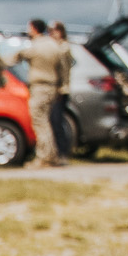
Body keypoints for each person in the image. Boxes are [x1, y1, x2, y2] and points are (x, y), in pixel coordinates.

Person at [20, 19, 67, 167]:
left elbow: (17, 56)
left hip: (40, 87)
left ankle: (44, 157)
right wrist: (62, 87)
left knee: (40, 122)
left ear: (34, 29)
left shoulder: (36, 46)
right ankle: (52, 154)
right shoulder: (55, 46)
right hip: (53, 88)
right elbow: (63, 69)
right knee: (48, 122)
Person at [50, 21, 76, 161]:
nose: (51, 34)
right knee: (56, 121)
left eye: (53, 31)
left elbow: (64, 72)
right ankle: (59, 152)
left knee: (57, 121)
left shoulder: (63, 48)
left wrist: (61, 88)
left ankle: (62, 152)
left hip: (60, 90)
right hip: (59, 89)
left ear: (60, 32)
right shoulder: (60, 47)